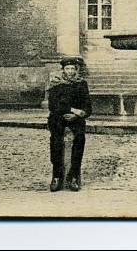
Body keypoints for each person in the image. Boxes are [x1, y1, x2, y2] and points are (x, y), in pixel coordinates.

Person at [47, 56, 92, 192]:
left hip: (76, 118)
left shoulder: (81, 84)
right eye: (67, 68)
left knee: (79, 139)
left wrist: (77, 114)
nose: (70, 71)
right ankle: (57, 176)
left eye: (73, 68)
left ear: (76, 69)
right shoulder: (56, 84)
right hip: (58, 117)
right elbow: (52, 105)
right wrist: (72, 110)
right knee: (56, 141)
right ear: (63, 70)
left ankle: (74, 176)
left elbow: (88, 107)